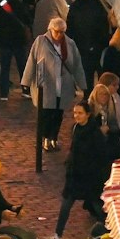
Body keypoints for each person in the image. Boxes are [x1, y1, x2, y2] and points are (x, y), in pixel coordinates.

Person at [22, 16, 86, 160]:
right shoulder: (40, 41)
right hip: (46, 85)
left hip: (63, 85)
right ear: (50, 30)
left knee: (58, 114)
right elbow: (32, 60)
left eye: (62, 32)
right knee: (46, 114)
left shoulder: (70, 44)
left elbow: (77, 65)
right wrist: (26, 81)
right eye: (57, 31)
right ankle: (45, 139)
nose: (59, 34)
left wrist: (82, 84)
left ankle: (53, 138)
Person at [55, 104, 112, 239]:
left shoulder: (95, 133)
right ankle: (58, 234)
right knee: (66, 205)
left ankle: (111, 230)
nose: (77, 116)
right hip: (74, 176)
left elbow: (102, 155)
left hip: (89, 177)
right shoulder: (75, 128)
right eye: (75, 113)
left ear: (88, 114)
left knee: (98, 207)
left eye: (80, 113)